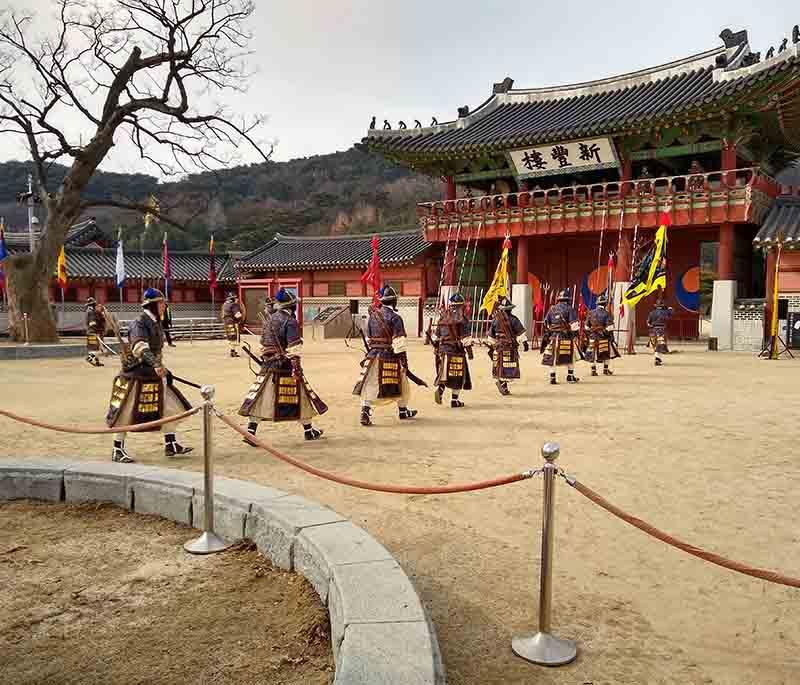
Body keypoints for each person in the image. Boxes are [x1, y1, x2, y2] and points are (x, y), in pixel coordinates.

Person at [105, 288, 193, 463]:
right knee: (125, 412)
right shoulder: (140, 322)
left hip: (154, 372)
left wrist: (161, 366)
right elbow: (139, 347)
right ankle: (117, 448)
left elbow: (155, 349)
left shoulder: (155, 322)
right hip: (137, 374)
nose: (164, 306)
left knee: (170, 406)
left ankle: (171, 443)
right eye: (161, 303)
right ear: (152, 305)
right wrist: (155, 363)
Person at [239, 288, 326, 442]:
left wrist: (268, 357)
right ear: (292, 306)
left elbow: (263, 344)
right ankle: (308, 430)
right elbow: (294, 348)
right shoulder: (290, 321)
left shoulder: (270, 319)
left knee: (262, 397)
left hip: (268, 364)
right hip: (285, 365)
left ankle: (251, 431)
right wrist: (296, 367)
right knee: (301, 396)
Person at [353, 285, 418, 426]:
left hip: (372, 356)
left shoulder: (372, 317)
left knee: (370, 384)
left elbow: (369, 338)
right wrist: (404, 363)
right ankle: (402, 410)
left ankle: (366, 411)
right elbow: (399, 343)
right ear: (394, 301)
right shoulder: (396, 318)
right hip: (389, 355)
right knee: (402, 382)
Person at [431, 292, 473, 408]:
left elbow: (436, 337)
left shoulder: (443, 317)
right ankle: (455, 400)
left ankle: (440, 389)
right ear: (462, 305)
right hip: (457, 351)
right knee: (457, 374)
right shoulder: (463, 319)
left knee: (444, 372)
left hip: (443, 350)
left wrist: (436, 346)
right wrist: (470, 353)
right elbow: (466, 339)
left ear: (451, 305)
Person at [487, 297, 528, 396]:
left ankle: (503, 385)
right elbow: (520, 334)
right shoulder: (514, 320)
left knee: (501, 365)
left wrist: (492, 346)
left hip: (498, 346)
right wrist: (525, 343)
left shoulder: (495, 320)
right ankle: (502, 384)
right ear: (510, 309)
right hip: (509, 347)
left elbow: (491, 337)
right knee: (508, 366)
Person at [541, 289, 581, 384]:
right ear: (568, 300)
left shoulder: (551, 309)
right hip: (566, 337)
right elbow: (574, 325)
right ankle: (570, 376)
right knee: (571, 356)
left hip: (553, 337)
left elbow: (546, 323)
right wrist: (576, 334)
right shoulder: (570, 309)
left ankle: (552, 377)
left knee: (552, 357)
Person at [585, 294, 620, 376]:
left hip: (593, 336)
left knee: (592, 353)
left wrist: (591, 333)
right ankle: (605, 369)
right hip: (603, 337)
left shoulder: (590, 313)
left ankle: (593, 370)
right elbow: (610, 328)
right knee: (607, 353)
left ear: (597, 304)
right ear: (605, 304)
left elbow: (586, 327)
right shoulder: (607, 314)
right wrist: (610, 337)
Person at [647, 297, 674, 366]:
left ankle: (658, 358)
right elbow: (671, 312)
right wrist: (669, 308)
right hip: (661, 330)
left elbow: (648, 323)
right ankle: (657, 358)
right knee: (660, 345)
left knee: (655, 345)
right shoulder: (666, 312)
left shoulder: (652, 313)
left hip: (653, 330)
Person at [85, 297, 106, 367]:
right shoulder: (91, 312)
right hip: (93, 332)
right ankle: (89, 358)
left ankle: (97, 362)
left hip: (90, 332)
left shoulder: (90, 311)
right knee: (96, 348)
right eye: (94, 304)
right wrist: (96, 332)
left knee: (95, 348)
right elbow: (92, 323)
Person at [222, 292, 244, 357]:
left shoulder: (225, 304)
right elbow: (237, 315)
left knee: (230, 337)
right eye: (236, 298)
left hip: (226, 322)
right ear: (233, 299)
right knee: (234, 337)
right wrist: (241, 320)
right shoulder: (234, 305)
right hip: (233, 322)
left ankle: (232, 350)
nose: (237, 299)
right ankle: (233, 351)